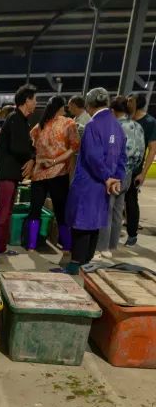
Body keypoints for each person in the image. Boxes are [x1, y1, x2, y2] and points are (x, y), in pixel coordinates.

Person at [64, 88, 126, 275]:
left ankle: (75, 265)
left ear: (89, 105)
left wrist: (106, 177)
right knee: (95, 224)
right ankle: (88, 265)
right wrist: (115, 178)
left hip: (90, 183)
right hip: (105, 186)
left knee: (82, 223)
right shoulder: (117, 126)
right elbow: (123, 157)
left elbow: (92, 156)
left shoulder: (93, 125)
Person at [27, 96, 79, 262]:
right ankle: (67, 246)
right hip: (58, 173)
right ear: (61, 108)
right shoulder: (69, 124)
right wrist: (57, 160)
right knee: (61, 211)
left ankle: (31, 245)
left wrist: (43, 159)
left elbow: (33, 146)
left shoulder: (38, 126)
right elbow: (74, 147)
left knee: (34, 209)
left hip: (39, 173)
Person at [95, 96, 145, 257]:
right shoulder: (137, 127)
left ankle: (102, 247)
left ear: (112, 111)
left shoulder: (114, 127)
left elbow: (110, 151)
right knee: (118, 210)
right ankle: (113, 245)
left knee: (107, 210)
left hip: (113, 172)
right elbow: (141, 152)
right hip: (128, 173)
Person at [0, 84, 37, 255]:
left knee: (7, 214)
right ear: (26, 100)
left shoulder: (21, 121)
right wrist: (32, 157)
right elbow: (19, 147)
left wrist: (32, 157)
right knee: (2, 214)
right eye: (34, 99)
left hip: (11, 175)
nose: (36, 103)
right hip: (5, 175)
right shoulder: (15, 119)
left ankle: (0, 247)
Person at [124, 93, 156, 246]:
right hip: (118, 168)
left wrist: (143, 173)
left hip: (135, 169)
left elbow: (152, 149)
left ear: (138, 103)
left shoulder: (149, 122)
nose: (127, 103)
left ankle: (132, 235)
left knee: (131, 200)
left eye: (130, 101)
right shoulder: (126, 119)